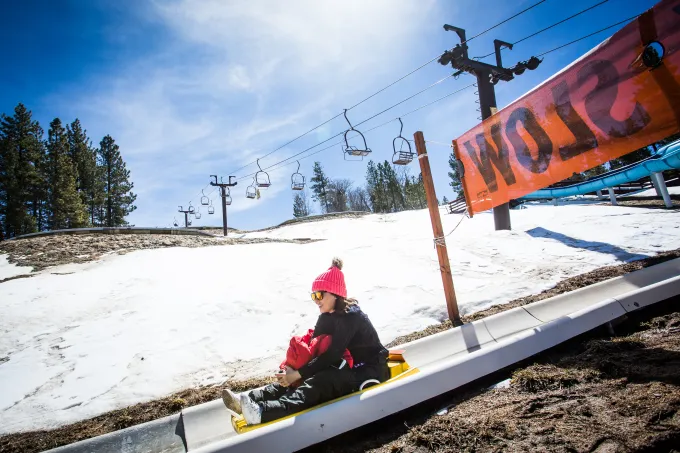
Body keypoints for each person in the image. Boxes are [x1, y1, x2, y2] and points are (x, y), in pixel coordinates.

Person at [222, 257, 389, 425]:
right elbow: (310, 344)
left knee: (318, 382)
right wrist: (290, 368)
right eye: (313, 296)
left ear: (335, 293)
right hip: (344, 366)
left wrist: (298, 374)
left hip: (368, 370)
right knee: (297, 378)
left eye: (319, 295)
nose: (316, 300)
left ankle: (261, 412)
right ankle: (247, 400)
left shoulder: (351, 316)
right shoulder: (328, 316)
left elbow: (332, 354)